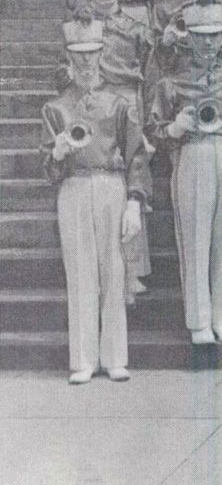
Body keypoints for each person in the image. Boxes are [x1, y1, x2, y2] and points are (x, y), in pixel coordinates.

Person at [147, 3, 222, 345]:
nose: (208, 44)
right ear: (188, 40)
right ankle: (199, 320)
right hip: (193, 154)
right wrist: (174, 128)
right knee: (196, 237)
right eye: (200, 37)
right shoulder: (171, 84)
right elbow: (153, 130)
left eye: (214, 36)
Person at [42, 19, 149, 383]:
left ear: (102, 54)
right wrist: (56, 154)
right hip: (73, 188)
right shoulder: (55, 108)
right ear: (68, 58)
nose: (86, 63)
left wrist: (135, 201)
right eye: (78, 56)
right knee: (80, 271)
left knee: (113, 270)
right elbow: (48, 171)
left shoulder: (118, 104)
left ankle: (115, 356)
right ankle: (83, 359)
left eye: (92, 55)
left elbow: (136, 155)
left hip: (110, 185)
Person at [72, 0, 157, 300]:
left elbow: (150, 76)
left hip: (128, 102)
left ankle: (133, 269)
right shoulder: (77, 27)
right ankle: (104, 269)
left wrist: (147, 120)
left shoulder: (136, 28)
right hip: (93, 105)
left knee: (132, 180)